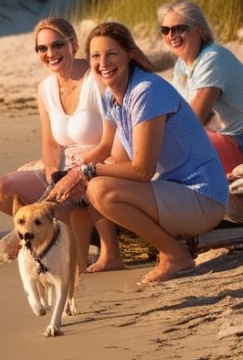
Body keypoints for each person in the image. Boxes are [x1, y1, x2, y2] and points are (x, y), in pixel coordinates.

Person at [50, 22, 228, 285]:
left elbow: (141, 171)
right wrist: (71, 178)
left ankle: (174, 255)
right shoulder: (111, 96)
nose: (103, 62)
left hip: (203, 196)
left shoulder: (146, 91)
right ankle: (84, 268)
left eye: (111, 53)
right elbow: (112, 155)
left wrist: (88, 172)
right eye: (95, 56)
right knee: (90, 190)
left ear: (129, 54)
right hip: (172, 191)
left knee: (100, 190)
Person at [0, 16, 123, 272]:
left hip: (101, 164)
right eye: (42, 48)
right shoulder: (45, 88)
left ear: (73, 44)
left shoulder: (97, 79)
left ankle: (110, 252)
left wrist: (78, 172)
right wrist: (53, 180)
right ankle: (56, 234)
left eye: (58, 45)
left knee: (89, 187)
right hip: (64, 167)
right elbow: (50, 145)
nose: (51, 53)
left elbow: (113, 140)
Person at [158, 0, 243, 175]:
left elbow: (193, 120)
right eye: (165, 30)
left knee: (167, 154)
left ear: (198, 30)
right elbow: (175, 111)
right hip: (218, 136)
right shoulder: (182, 65)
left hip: (238, 141)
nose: (171, 36)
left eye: (179, 28)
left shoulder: (213, 58)